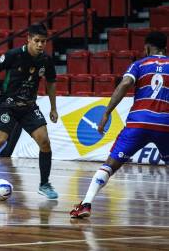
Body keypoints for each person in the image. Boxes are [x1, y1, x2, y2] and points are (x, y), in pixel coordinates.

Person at [70, 31, 169, 218]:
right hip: (165, 124)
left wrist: (106, 113)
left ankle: (86, 204)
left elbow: (124, 84)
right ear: (165, 47)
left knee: (110, 165)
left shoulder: (139, 64)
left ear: (147, 47)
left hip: (138, 123)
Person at [0, 23, 59, 199]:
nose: (41, 45)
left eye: (44, 41)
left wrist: (53, 107)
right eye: (37, 41)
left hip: (29, 107)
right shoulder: (14, 55)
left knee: (45, 142)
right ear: (28, 39)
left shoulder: (46, 60)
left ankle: (44, 184)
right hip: (8, 105)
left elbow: (50, 83)